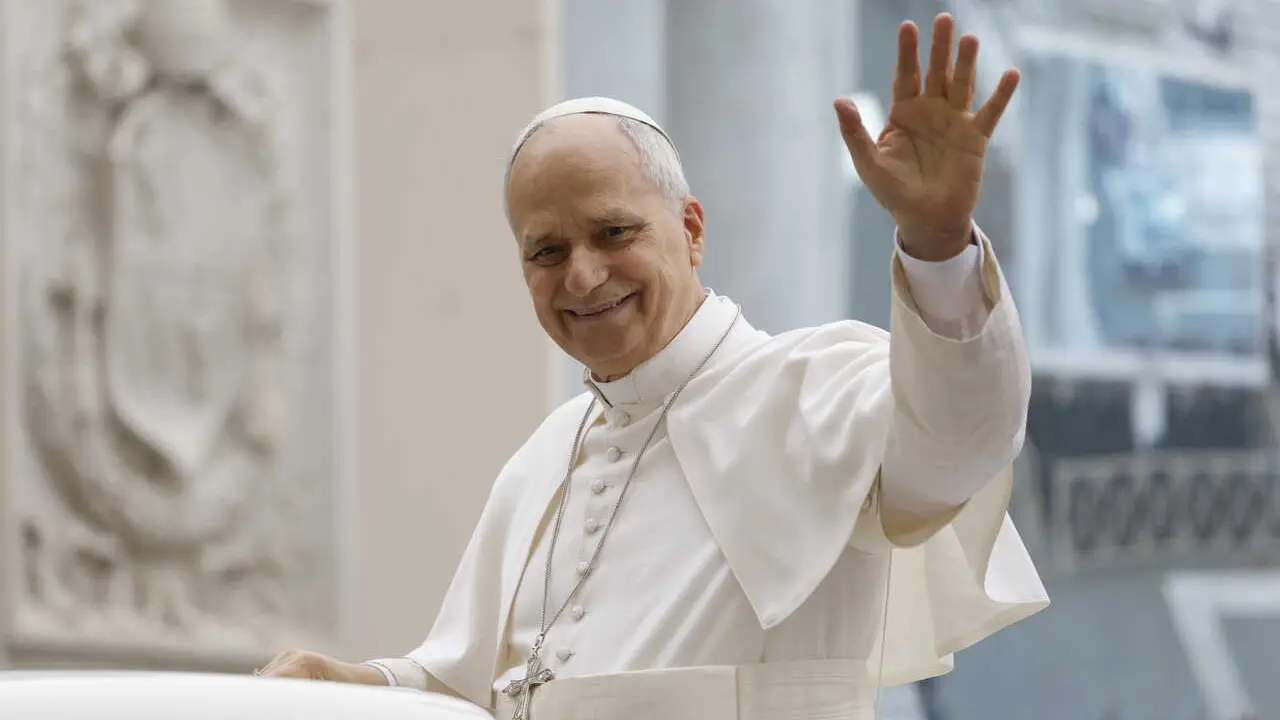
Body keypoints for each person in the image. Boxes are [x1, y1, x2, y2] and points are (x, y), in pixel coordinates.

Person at [260, 13, 1049, 720]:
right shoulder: (543, 461)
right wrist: (361, 684)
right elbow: (478, 691)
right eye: (547, 250)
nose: (581, 276)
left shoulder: (814, 388)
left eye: (612, 233)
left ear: (691, 229)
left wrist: (938, 245)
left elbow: (961, 440)